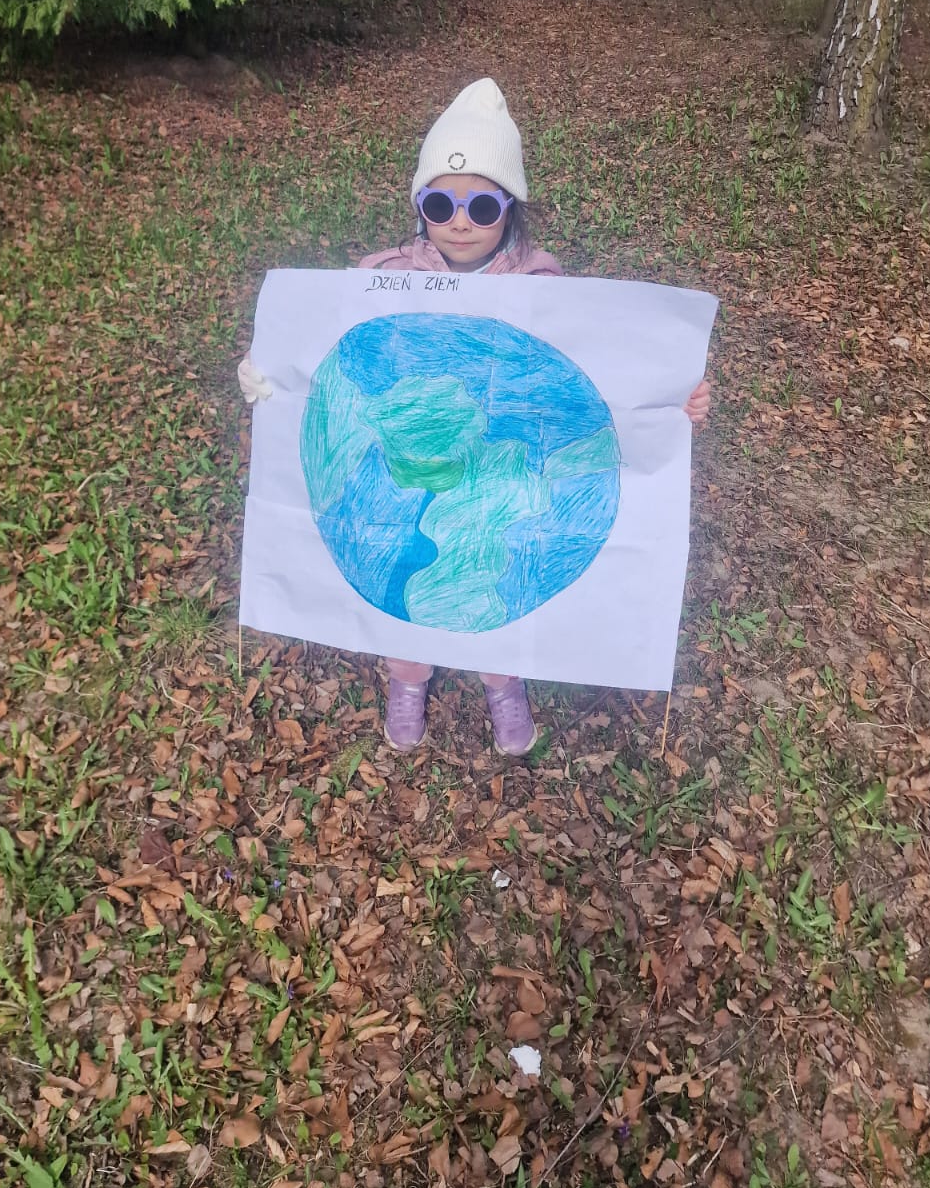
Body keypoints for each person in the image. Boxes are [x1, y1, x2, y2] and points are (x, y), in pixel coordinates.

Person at [237, 78, 711, 757]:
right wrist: (269, 379)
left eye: (482, 205)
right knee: (403, 562)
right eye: (441, 204)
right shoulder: (379, 279)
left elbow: (598, 380)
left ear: (510, 210)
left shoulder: (544, 289)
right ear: (419, 207)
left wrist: (672, 402)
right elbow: (324, 360)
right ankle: (407, 678)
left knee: (500, 565)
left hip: (499, 468)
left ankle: (503, 681)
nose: (460, 222)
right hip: (402, 464)